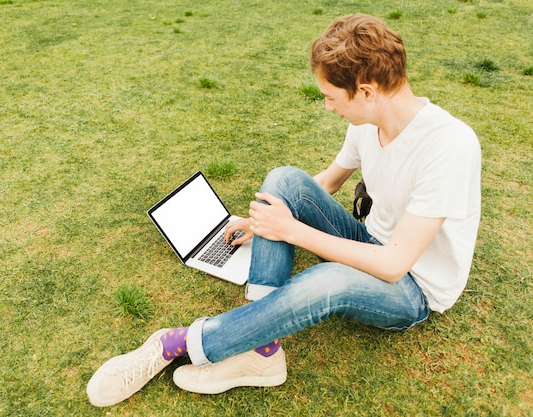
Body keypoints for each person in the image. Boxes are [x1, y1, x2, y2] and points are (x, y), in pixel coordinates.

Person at [86, 13, 481, 407]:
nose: (328, 107)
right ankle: (263, 353)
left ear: (365, 92)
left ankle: (175, 342)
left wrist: (291, 230)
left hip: (413, 287)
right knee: (283, 181)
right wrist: (264, 221)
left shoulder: (449, 146)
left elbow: (395, 265)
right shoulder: (367, 121)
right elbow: (326, 181)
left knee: (327, 281)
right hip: (371, 240)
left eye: (331, 97)